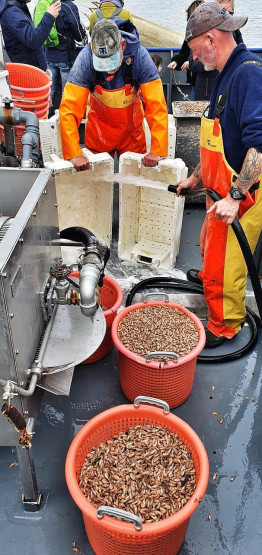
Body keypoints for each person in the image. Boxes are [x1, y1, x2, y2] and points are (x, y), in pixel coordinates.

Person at [176, 2, 262, 348]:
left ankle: (225, 325)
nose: (195, 59)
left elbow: (260, 147)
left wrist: (236, 196)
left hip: (242, 194)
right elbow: (219, 138)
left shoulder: (248, 74)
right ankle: (211, 282)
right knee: (210, 247)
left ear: (211, 39)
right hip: (217, 191)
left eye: (196, 51)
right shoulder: (225, 73)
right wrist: (196, 178)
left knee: (228, 264)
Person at [59, 18, 168, 170]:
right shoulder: (85, 59)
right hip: (99, 132)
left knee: (135, 180)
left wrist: (158, 150)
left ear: (122, 46)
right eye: (102, 63)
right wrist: (74, 152)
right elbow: (69, 108)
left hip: (132, 133)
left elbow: (156, 106)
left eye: (111, 61)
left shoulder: (141, 58)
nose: (107, 69)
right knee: (96, 184)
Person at [33, 0, 87, 116]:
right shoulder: (69, 6)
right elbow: (79, 35)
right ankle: (64, 122)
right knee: (66, 91)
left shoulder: (49, 4)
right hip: (65, 57)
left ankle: (46, 119)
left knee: (50, 92)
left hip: (48, 56)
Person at [167, 0, 218, 101]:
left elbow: (213, 60)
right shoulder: (190, 36)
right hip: (195, 82)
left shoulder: (211, 36)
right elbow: (184, 53)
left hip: (211, 83)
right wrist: (176, 62)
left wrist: (191, 63)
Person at [0, 0, 61, 72]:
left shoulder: (17, 6)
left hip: (33, 67)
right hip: (29, 72)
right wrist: (50, 16)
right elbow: (33, 41)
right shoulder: (12, 13)